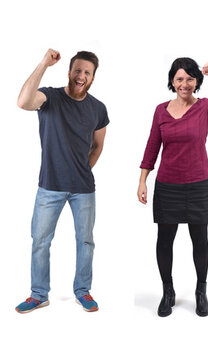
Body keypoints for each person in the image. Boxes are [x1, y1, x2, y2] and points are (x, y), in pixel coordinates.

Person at [138, 58, 208, 317]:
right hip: (167, 185)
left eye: (189, 79)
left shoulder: (206, 108)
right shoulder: (161, 110)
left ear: (197, 81)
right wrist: (142, 180)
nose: (184, 84)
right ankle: (168, 291)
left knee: (200, 240)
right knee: (165, 241)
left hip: (197, 183)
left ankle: (200, 292)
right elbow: (153, 146)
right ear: (172, 81)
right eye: (179, 79)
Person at [14, 49, 109, 314]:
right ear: (69, 72)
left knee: (86, 241)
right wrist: (44, 63)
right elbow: (22, 102)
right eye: (77, 70)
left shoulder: (98, 108)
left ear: (92, 78)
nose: (81, 76)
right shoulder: (49, 97)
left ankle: (83, 291)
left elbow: (97, 146)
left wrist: (81, 170)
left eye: (87, 73)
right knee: (40, 241)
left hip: (83, 189)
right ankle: (38, 294)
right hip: (50, 185)